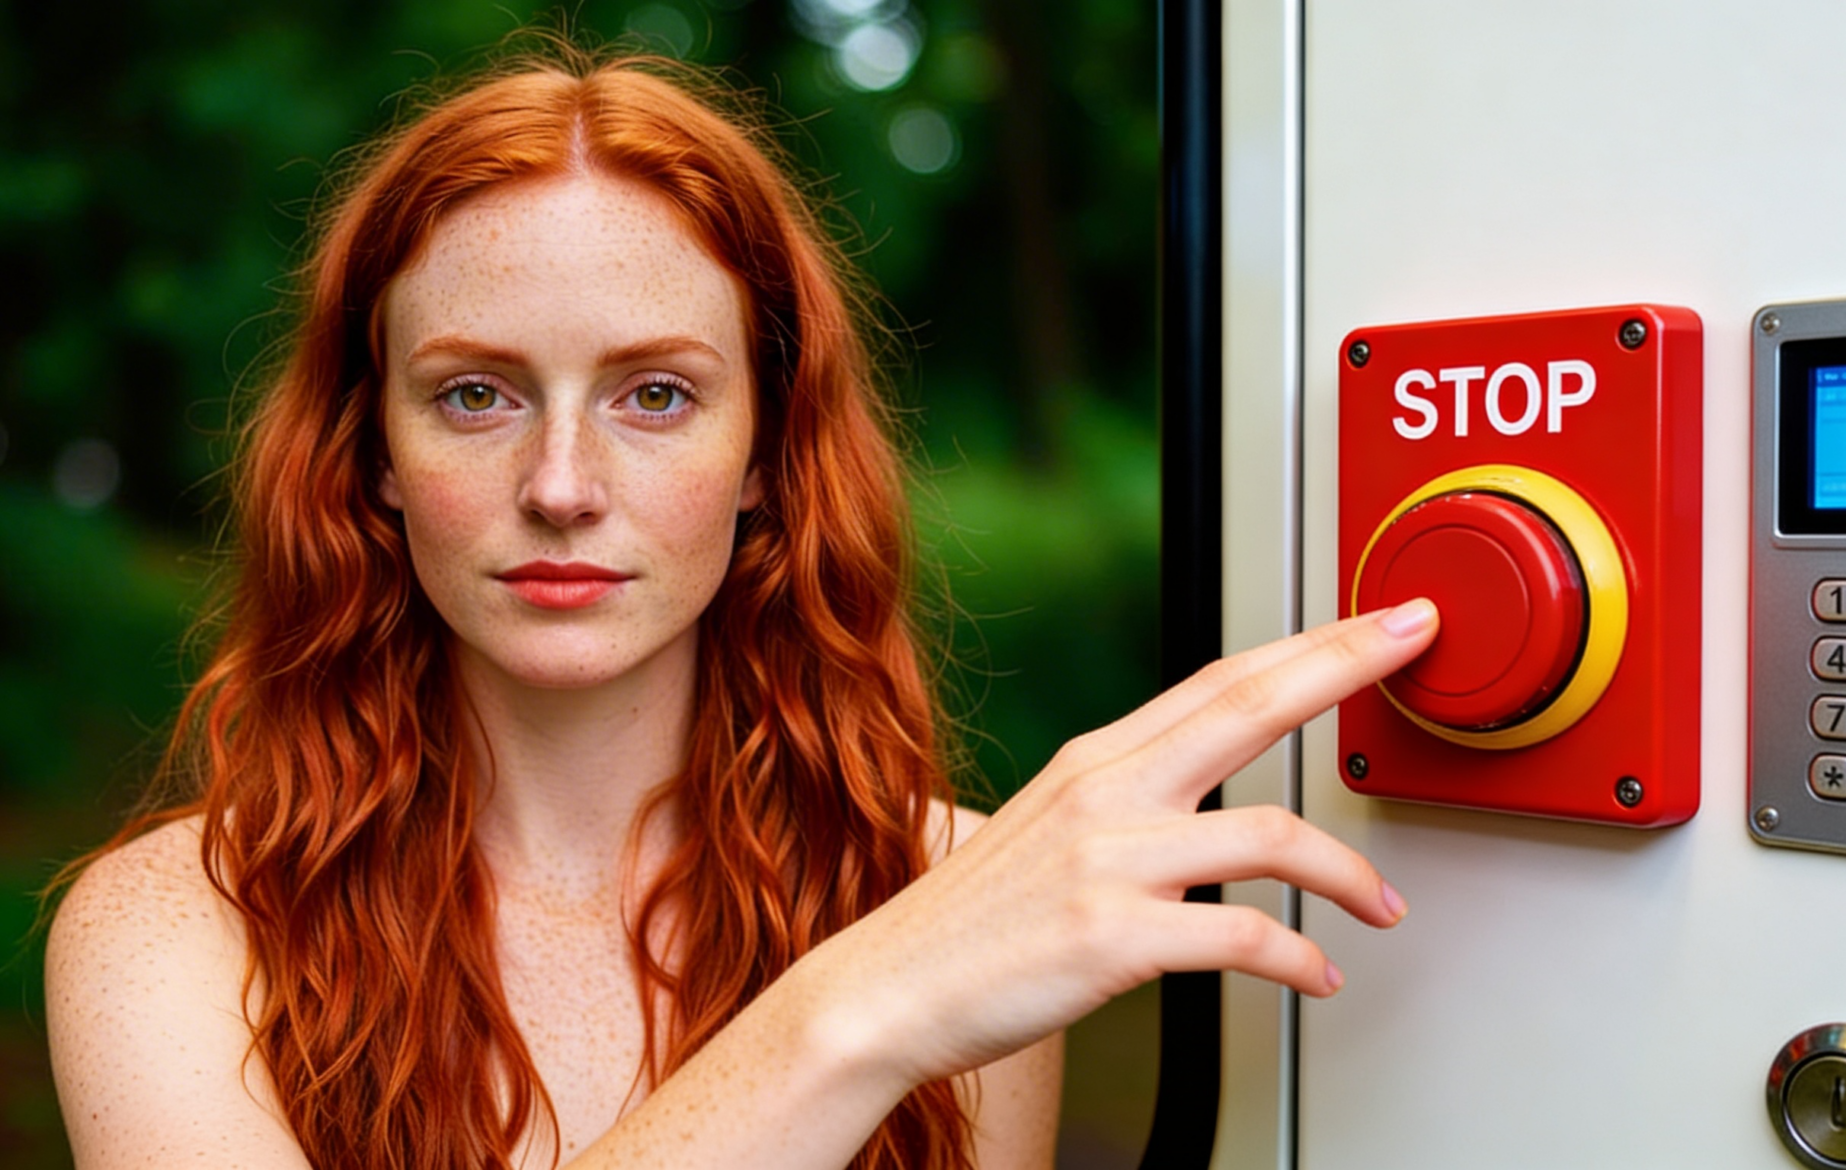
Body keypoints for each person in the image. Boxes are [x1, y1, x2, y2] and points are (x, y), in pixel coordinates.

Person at [42, 45, 1439, 1170]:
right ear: (376, 456)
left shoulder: (958, 891)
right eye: (474, 395)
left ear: (769, 449)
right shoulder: (169, 929)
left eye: (656, 394)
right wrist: (870, 1003)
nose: (562, 485)